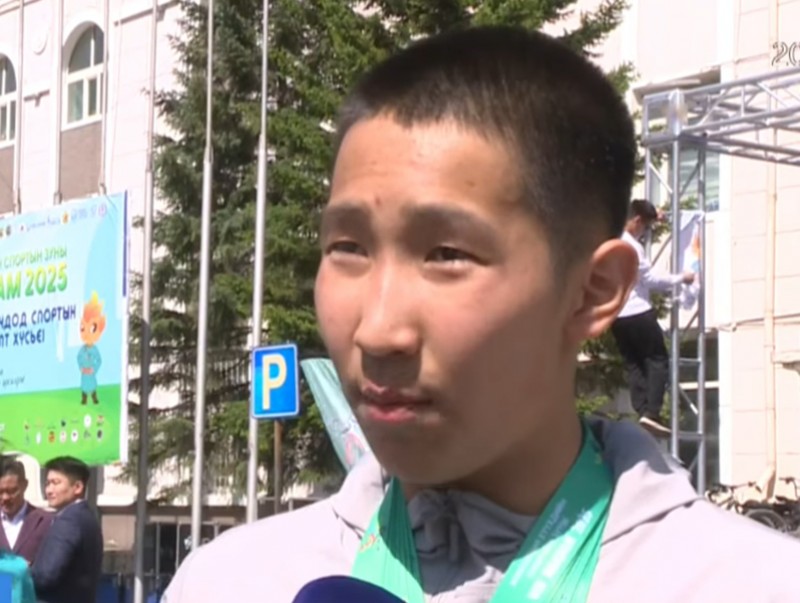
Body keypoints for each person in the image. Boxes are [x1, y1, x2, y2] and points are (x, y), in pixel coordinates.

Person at [163, 25, 800, 603]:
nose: (377, 330)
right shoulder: (230, 583)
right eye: (348, 248)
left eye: (447, 254)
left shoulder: (751, 585)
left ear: (593, 291)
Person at [610, 199, 695, 436]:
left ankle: (641, 409)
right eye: (645, 228)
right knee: (657, 359)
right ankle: (652, 412)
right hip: (638, 310)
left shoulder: (609, 238)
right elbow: (651, 280)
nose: (644, 233)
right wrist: (681, 278)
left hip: (617, 315)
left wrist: (658, 216)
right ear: (637, 221)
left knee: (634, 362)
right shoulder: (631, 247)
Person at [31, 457, 103, 603]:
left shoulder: (68, 521)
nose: (49, 490)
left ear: (77, 487)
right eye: (47, 483)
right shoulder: (87, 517)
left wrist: (22, 571)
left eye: (56, 483)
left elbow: (46, 576)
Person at [0, 459, 52, 565]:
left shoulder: (45, 522)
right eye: (0, 492)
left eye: (12, 491)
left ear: (25, 485)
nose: (5, 497)